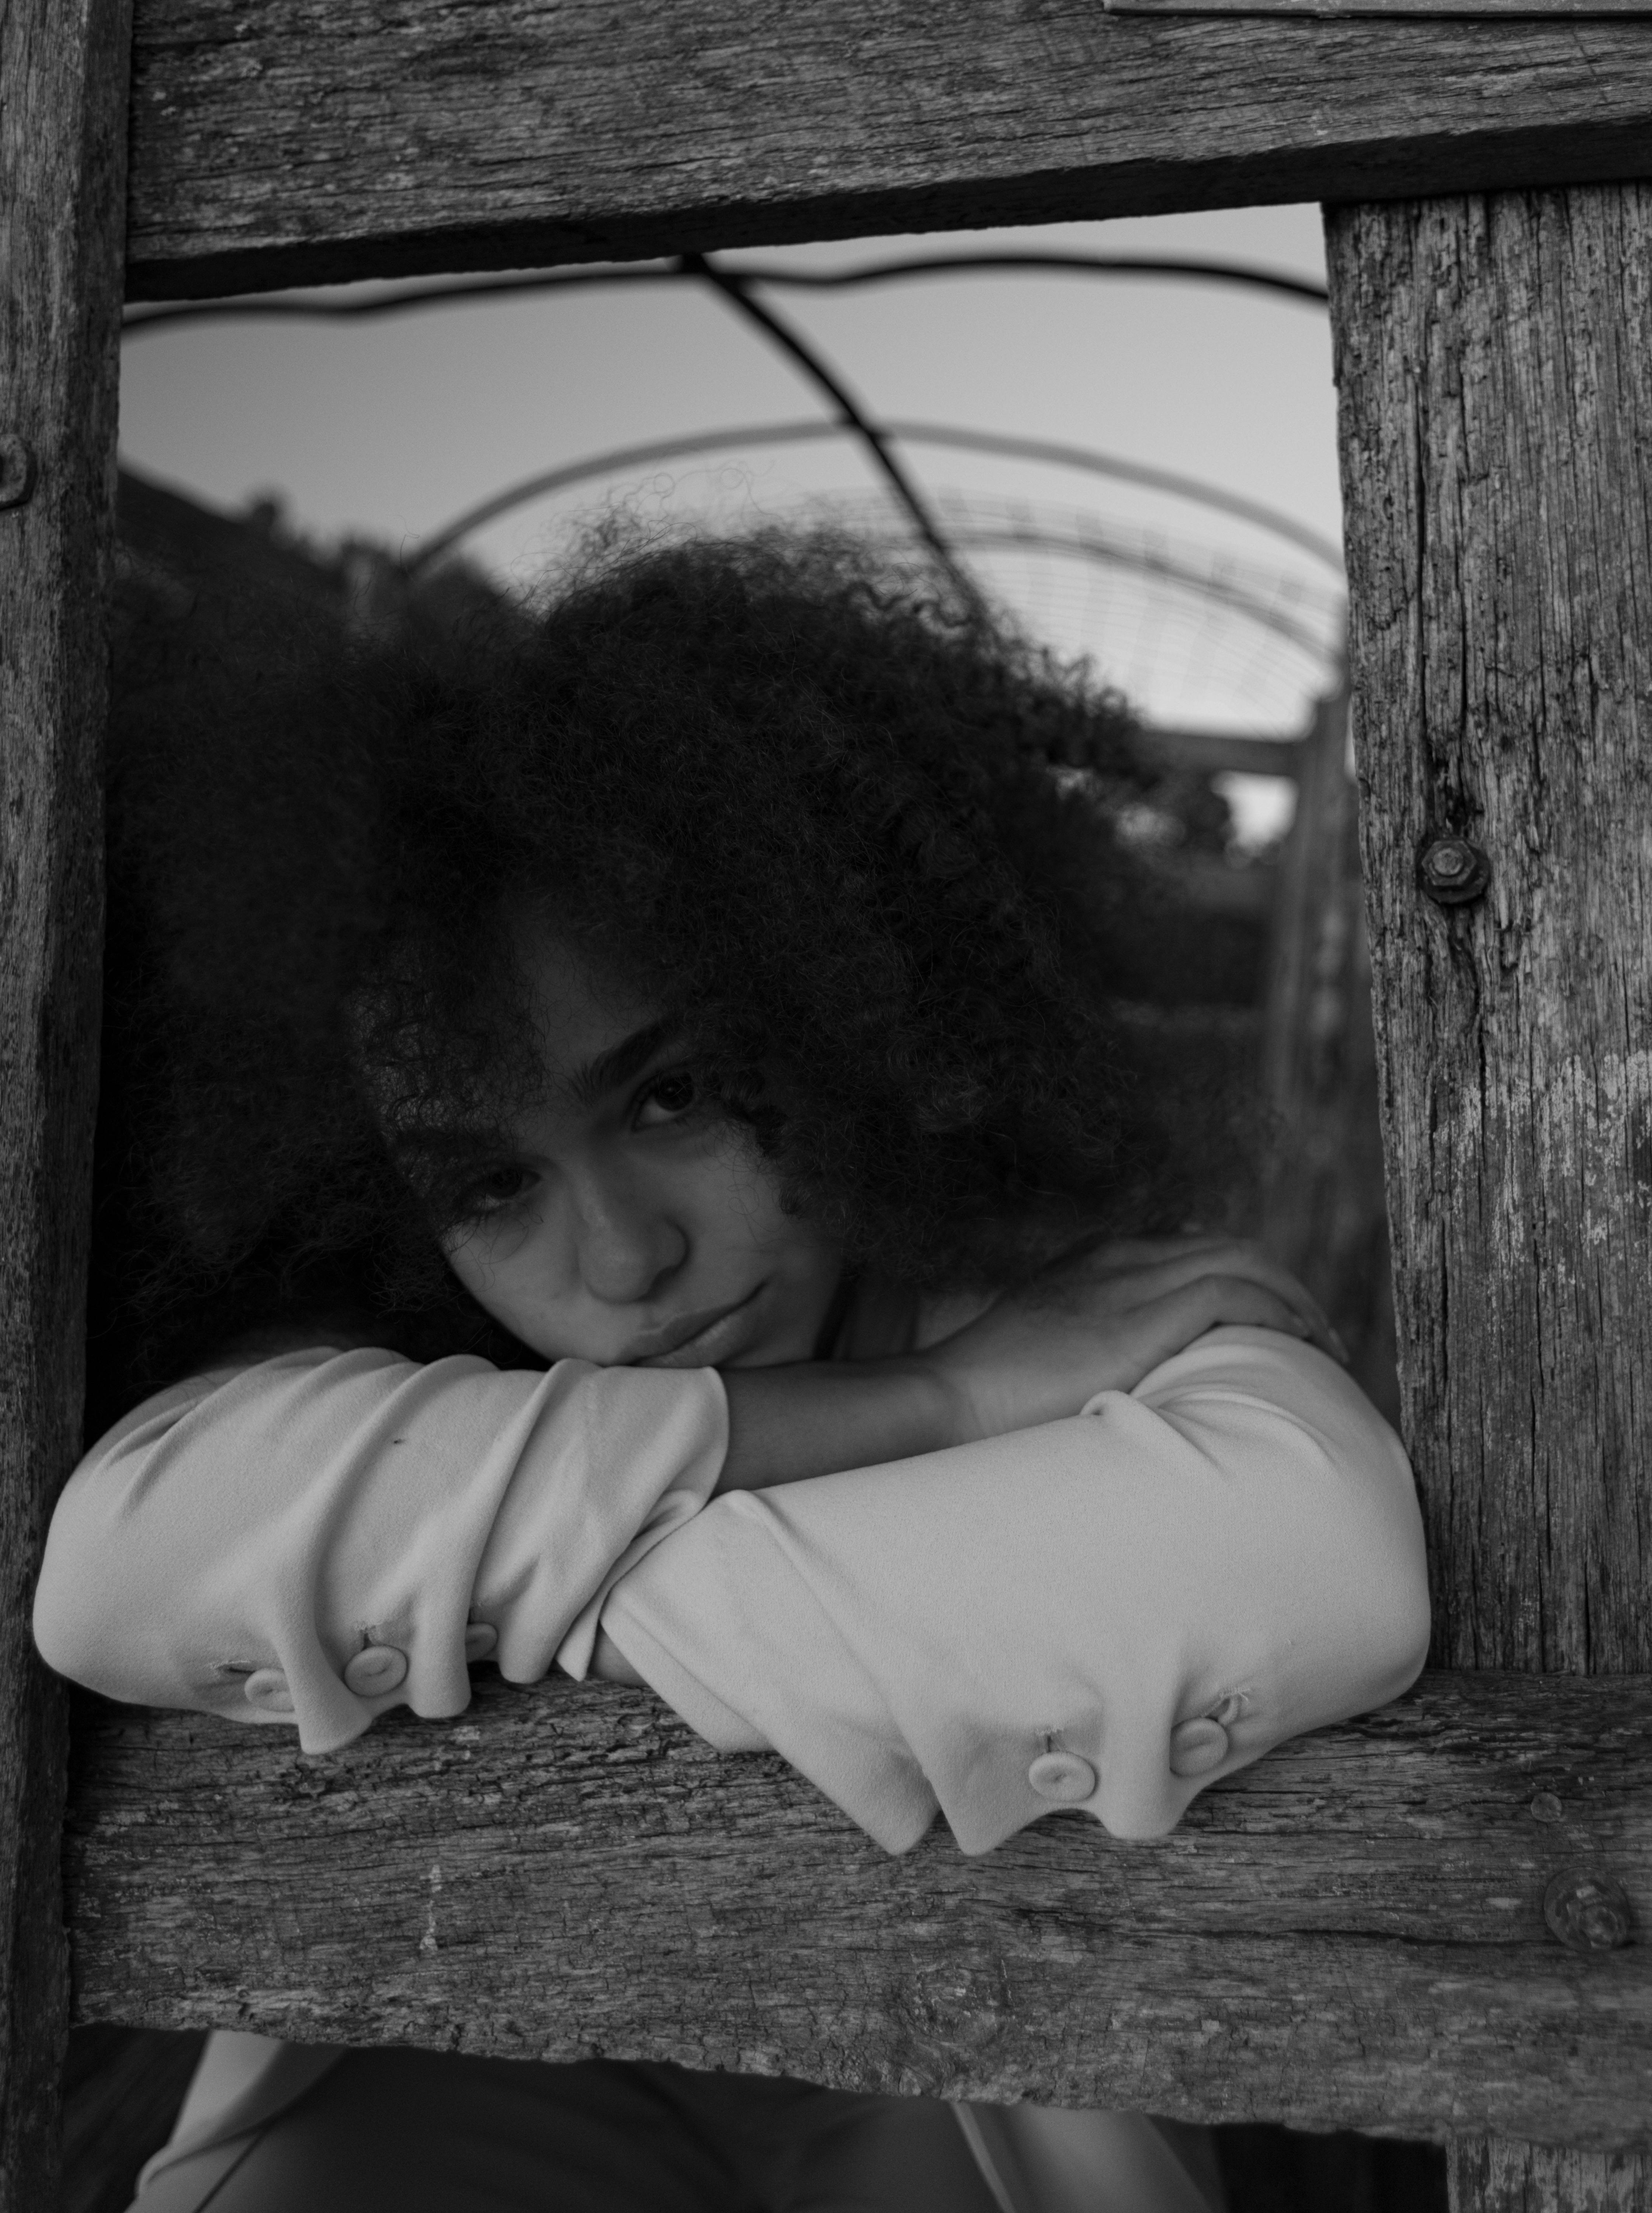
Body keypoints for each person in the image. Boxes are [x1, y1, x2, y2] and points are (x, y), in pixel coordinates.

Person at [36, 525, 1429, 2212]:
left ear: (845, 1006)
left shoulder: (1116, 1309)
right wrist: (943, 1411)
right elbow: (122, 1560)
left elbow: (1313, 1558)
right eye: (488, 1183)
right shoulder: (377, 1349)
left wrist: (476, 1588)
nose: (623, 1260)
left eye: (672, 1094)